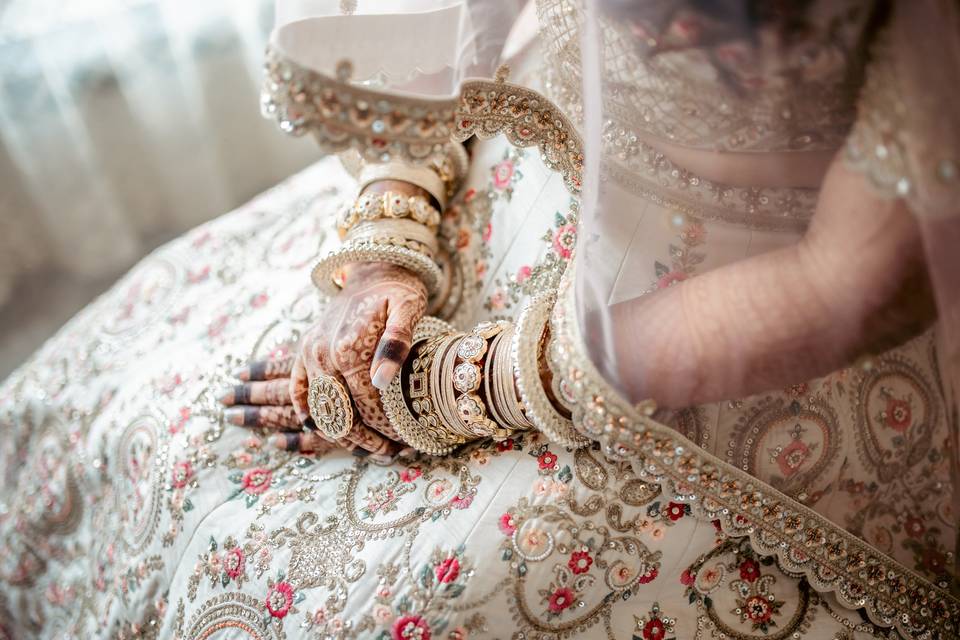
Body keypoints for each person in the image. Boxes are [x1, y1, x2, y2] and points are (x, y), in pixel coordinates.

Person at [1, 1, 957, 638]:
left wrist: (467, 383)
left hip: (740, 350)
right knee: (137, 416)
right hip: (502, 166)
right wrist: (388, 224)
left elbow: (854, 283)